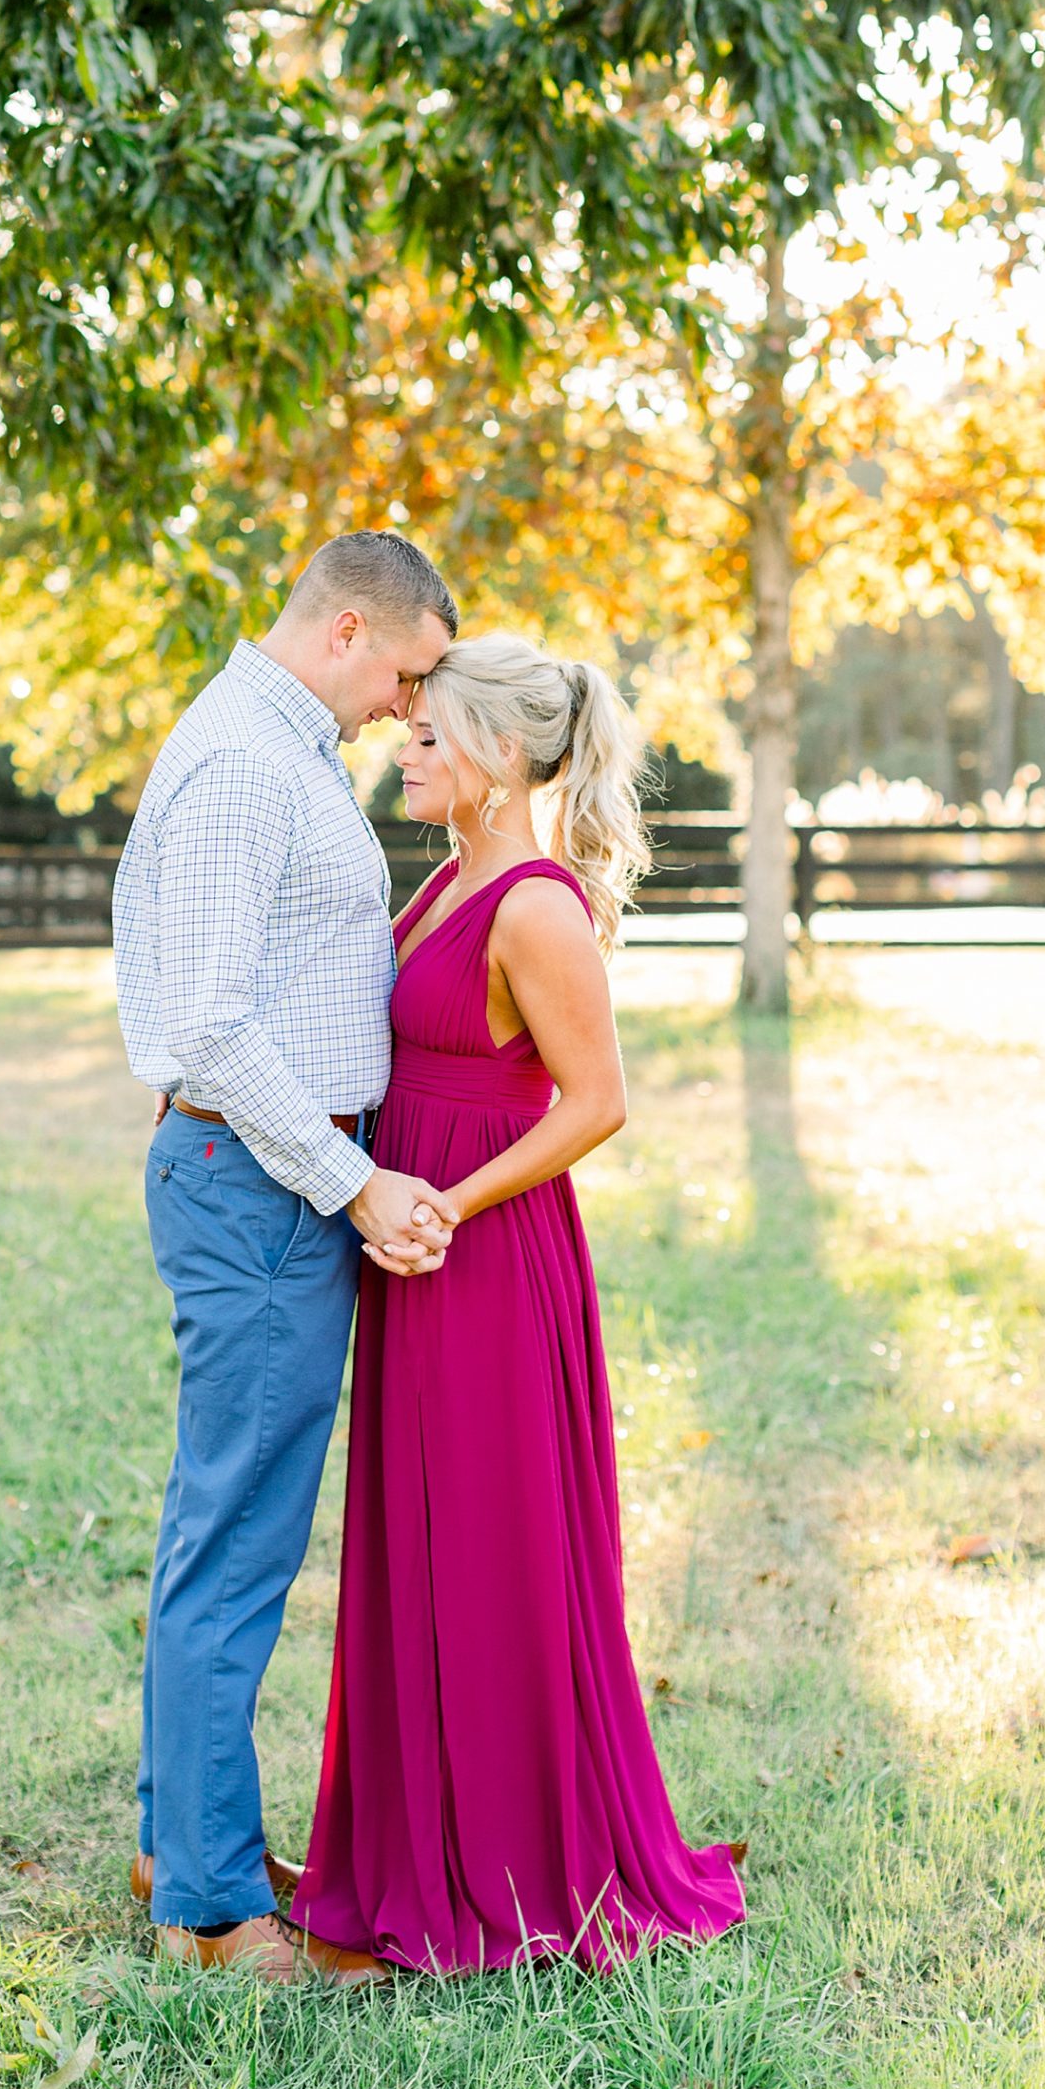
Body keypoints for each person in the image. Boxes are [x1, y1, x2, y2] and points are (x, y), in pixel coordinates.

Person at [289, 632, 749, 1973]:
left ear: (492, 754)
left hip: (484, 1259)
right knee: (414, 1544)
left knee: (491, 1550)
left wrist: (451, 1205)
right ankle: (406, 1841)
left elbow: (596, 1104)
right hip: (414, 1244)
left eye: (426, 736)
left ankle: (511, 1861)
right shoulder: (440, 883)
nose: (403, 748)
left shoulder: (536, 907)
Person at [112, 530, 462, 1986]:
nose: (407, 703)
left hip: (273, 1183)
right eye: (408, 671)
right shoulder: (249, 765)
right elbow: (201, 1025)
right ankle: (204, 1905)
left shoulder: (283, 745)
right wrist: (352, 1177)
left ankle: (179, 1835)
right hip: (264, 1189)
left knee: (231, 1529)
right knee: (239, 1543)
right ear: (347, 628)